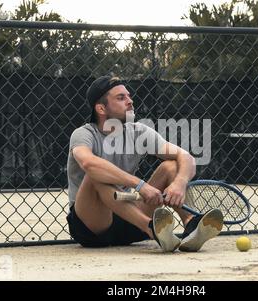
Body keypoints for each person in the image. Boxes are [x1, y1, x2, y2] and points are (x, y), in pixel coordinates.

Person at [66, 75, 224, 252]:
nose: (130, 101)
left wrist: (178, 184)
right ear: (101, 108)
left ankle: (190, 225)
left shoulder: (139, 132)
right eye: (121, 98)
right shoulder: (83, 134)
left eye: (128, 95)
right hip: (92, 225)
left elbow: (186, 157)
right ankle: (151, 228)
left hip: (128, 218)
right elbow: (89, 164)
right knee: (95, 173)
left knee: (172, 166)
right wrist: (140, 185)